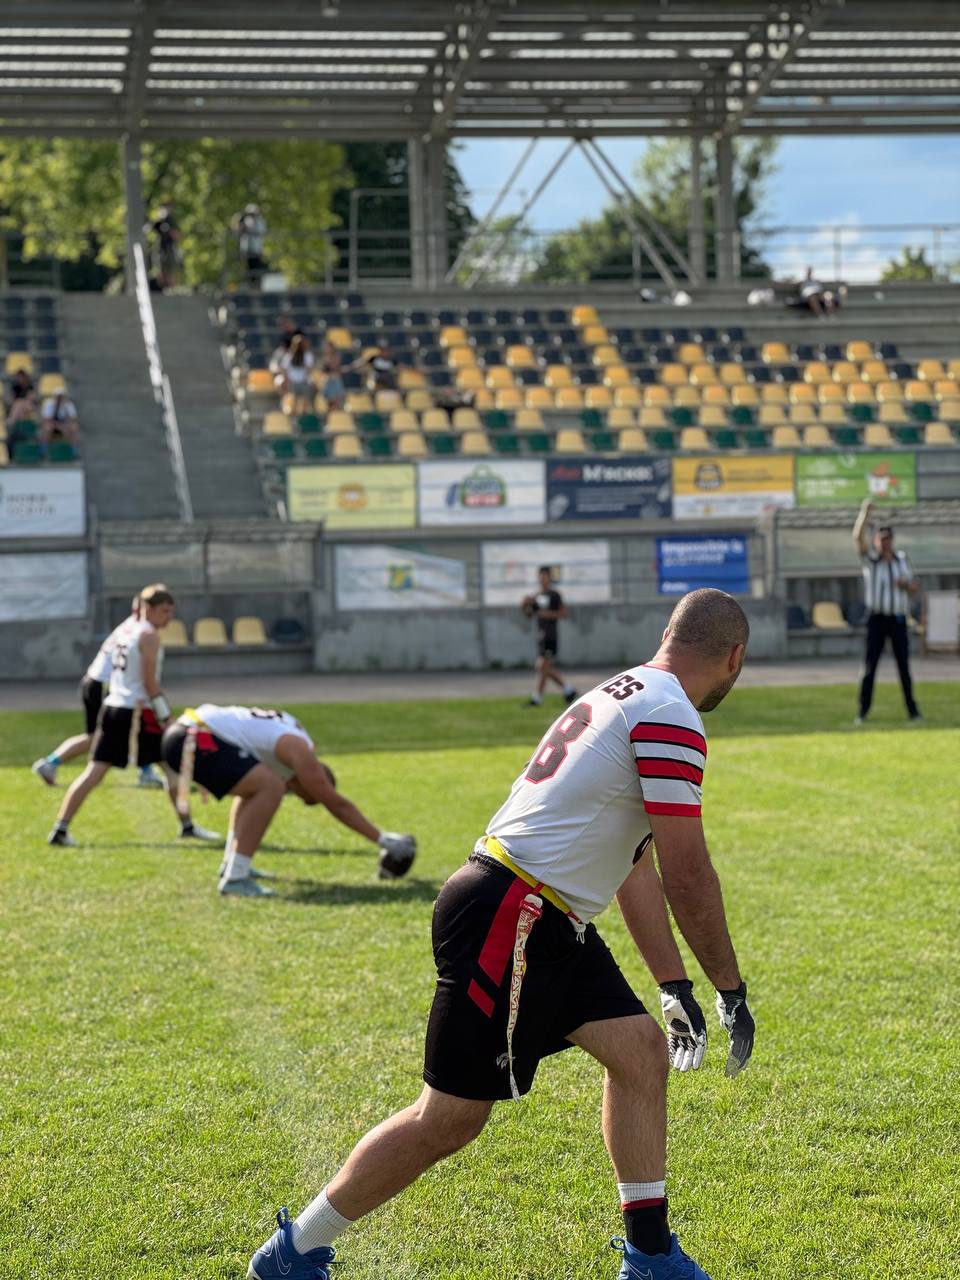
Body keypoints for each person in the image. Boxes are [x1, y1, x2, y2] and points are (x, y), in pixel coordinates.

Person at [246, 588, 756, 1280]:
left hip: (540, 912)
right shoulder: (671, 714)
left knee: (639, 1054)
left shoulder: (624, 693)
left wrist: (673, 983)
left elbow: (634, 866)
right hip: (514, 914)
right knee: (449, 1118)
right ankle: (292, 1254)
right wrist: (731, 989)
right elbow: (687, 871)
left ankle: (651, 1256)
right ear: (735, 657)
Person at [160, 703, 417, 898]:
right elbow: (337, 804)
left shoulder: (292, 741)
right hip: (192, 736)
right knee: (270, 786)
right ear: (311, 780)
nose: (293, 793)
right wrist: (383, 839)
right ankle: (236, 879)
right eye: (304, 795)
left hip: (185, 733)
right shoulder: (301, 752)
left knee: (258, 787)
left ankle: (234, 866)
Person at [46, 584, 220, 847]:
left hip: (115, 706)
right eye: (164, 611)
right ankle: (187, 825)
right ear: (147, 608)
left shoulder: (126, 629)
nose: (169, 618)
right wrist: (166, 718)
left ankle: (60, 829)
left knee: (140, 767)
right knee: (157, 767)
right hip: (136, 712)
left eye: (172, 611)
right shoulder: (148, 634)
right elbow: (150, 684)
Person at [32, 596, 163, 791]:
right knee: (98, 737)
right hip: (103, 685)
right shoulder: (140, 631)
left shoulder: (131, 628)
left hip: (96, 681)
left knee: (130, 730)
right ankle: (50, 764)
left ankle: (146, 771)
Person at [852, 499, 922, 724]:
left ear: (892, 540)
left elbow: (914, 587)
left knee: (904, 668)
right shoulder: (872, 561)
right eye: (880, 539)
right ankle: (862, 711)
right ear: (876, 541)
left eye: (887, 539)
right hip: (877, 619)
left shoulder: (902, 560)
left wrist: (905, 585)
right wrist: (863, 513)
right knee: (870, 667)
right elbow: (857, 539)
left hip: (898, 619)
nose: (884, 543)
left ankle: (913, 710)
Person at [522, 565, 578, 707]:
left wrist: (546, 614)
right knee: (544, 668)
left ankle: (540, 698)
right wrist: (524, 606)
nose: (542, 578)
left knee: (542, 666)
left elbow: (564, 613)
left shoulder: (554, 595)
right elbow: (530, 614)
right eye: (540, 575)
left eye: (545, 575)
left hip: (551, 636)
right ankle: (567, 691)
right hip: (541, 636)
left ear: (549, 577)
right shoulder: (536, 596)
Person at [277, 334, 316, 417]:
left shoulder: (308, 356)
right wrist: (287, 379)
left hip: (304, 382)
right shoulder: (289, 356)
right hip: (293, 383)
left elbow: (309, 370)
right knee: (293, 401)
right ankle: (293, 419)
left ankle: (304, 418)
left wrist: (304, 378)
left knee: (306, 402)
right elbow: (283, 369)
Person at [233, 203, 268, 286]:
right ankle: (251, 283)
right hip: (247, 249)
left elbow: (261, 232)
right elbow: (239, 232)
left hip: (257, 248)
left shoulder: (260, 221)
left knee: (257, 266)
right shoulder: (246, 221)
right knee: (249, 267)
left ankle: (257, 283)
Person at [149, 200, 181, 291]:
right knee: (159, 270)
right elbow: (151, 229)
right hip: (160, 249)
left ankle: (173, 290)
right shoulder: (160, 221)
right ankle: (162, 289)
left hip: (170, 248)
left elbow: (177, 235)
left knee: (172, 269)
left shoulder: (171, 221)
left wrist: (170, 231)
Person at [318, 340, 345, 411]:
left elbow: (335, 369)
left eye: (328, 347)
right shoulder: (324, 358)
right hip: (327, 382)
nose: (326, 349)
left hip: (335, 382)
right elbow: (323, 372)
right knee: (329, 402)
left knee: (337, 401)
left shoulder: (336, 357)